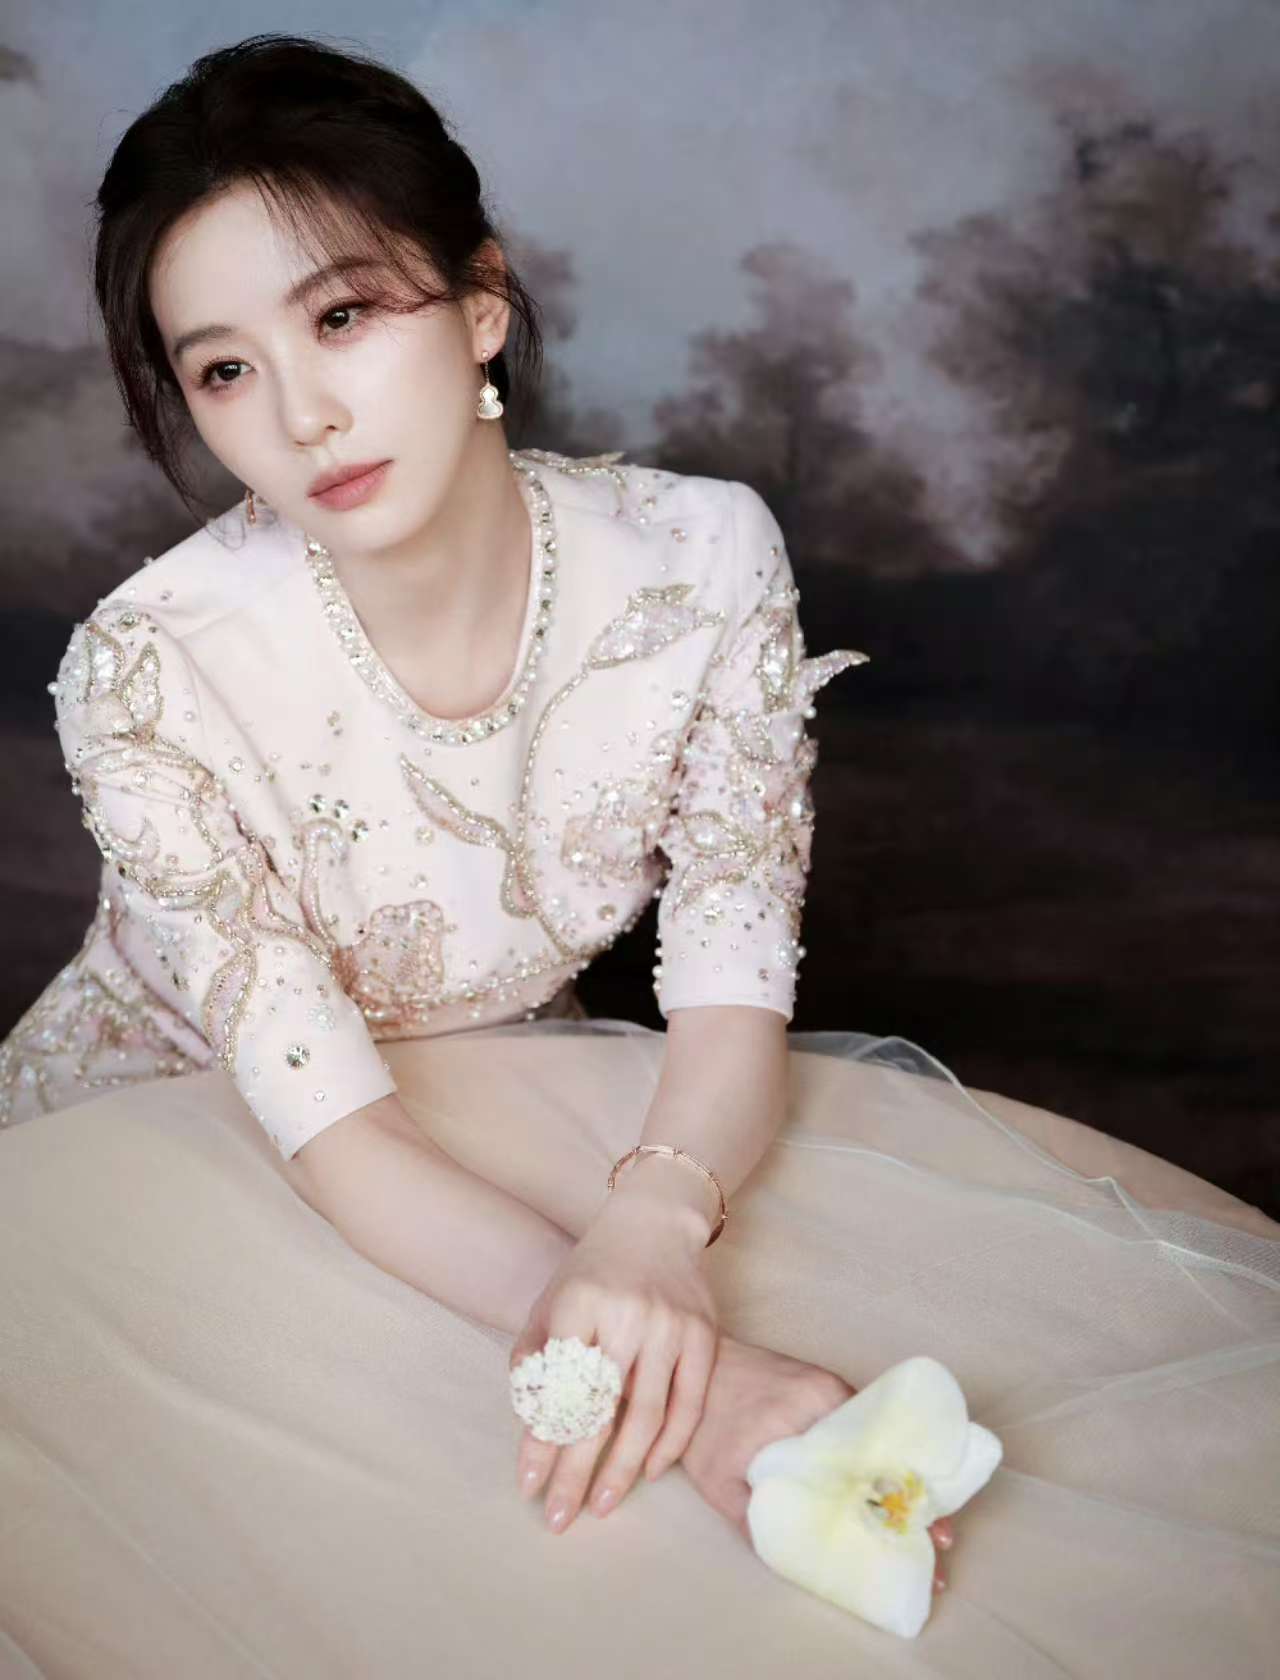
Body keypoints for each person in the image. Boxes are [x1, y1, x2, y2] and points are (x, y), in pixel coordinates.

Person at [0, 33, 1277, 1677]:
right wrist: (690, 1378)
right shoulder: (149, 672)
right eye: (226, 370)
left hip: (509, 1088)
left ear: (480, 299)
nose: (304, 416)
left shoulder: (700, 557)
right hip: (181, 1139)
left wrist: (660, 1228)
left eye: (343, 316)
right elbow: (330, 1129)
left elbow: (732, 985)